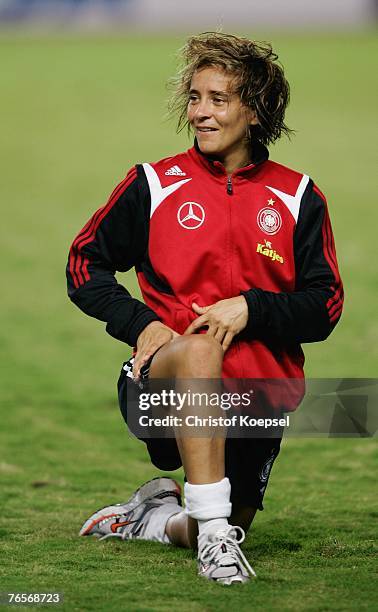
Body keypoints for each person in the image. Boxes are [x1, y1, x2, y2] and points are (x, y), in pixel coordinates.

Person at [66, 32, 343, 585]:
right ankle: (213, 537)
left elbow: (326, 305)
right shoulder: (153, 184)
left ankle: (154, 519)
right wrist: (141, 323)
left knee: (222, 521)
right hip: (164, 386)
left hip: (257, 396)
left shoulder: (297, 197)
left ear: (256, 110)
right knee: (195, 352)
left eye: (219, 100)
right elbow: (83, 265)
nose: (201, 113)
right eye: (195, 97)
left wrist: (251, 307)